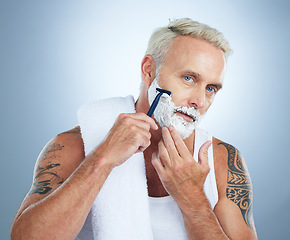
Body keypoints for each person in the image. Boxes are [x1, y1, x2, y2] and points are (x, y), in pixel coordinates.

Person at [11, 18, 258, 239]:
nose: (200, 101)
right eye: (189, 78)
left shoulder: (222, 161)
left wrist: (194, 200)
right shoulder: (76, 145)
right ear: (149, 69)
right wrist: (102, 158)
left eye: (211, 88)